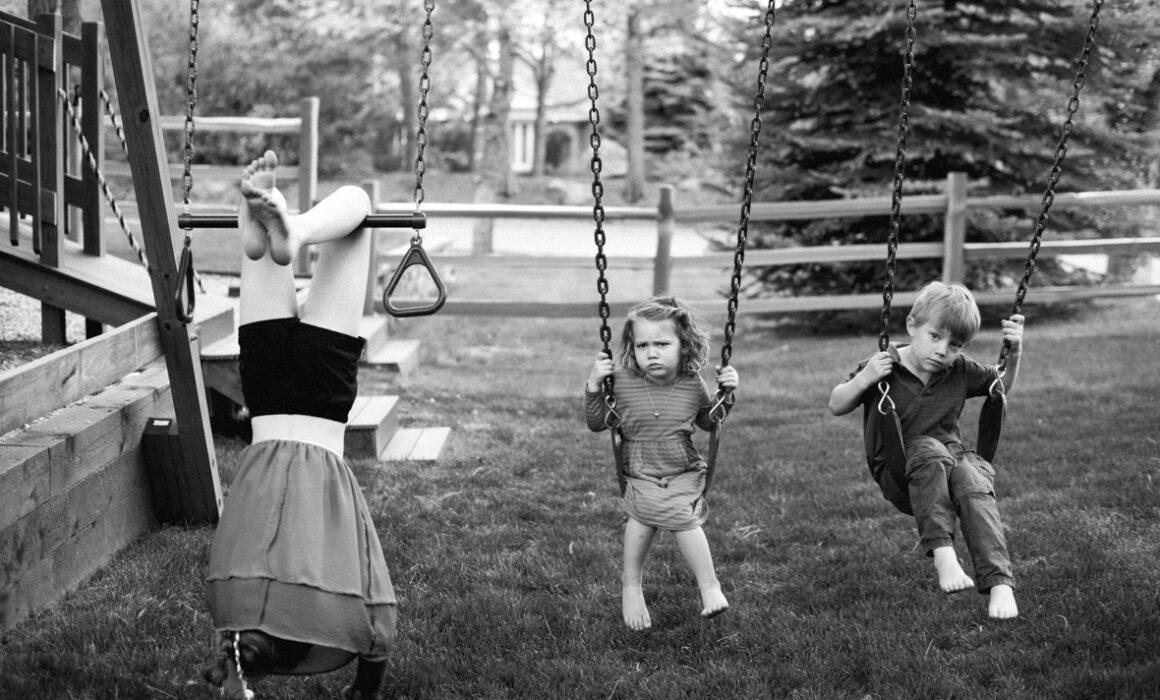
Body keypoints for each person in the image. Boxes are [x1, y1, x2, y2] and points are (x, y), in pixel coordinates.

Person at [202, 150, 396, 699]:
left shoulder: (337, 593)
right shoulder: (233, 602)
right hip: (262, 393)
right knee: (279, 249)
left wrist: (366, 689)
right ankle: (269, 226)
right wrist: (236, 675)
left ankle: (295, 226)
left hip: (319, 399)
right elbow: (239, 656)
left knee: (357, 211)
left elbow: (379, 627)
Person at [828, 281, 1024, 619]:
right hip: (901, 471)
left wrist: (1015, 351)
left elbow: (999, 387)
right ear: (912, 327)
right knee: (930, 450)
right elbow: (836, 404)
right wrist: (864, 379)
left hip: (949, 461)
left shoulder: (958, 369)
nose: (943, 351)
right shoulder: (883, 366)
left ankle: (999, 584)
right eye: (936, 337)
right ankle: (944, 556)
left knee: (973, 480)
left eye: (955, 344)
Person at [584, 296, 738, 631]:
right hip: (640, 471)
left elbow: (710, 423)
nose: (651, 352)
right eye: (642, 345)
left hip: (681, 469)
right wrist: (594, 385)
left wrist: (727, 394)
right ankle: (632, 587)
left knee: (680, 516)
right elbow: (598, 423)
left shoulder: (691, 382)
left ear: (684, 346)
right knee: (645, 518)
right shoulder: (621, 381)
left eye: (662, 343)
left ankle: (709, 587)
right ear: (632, 347)